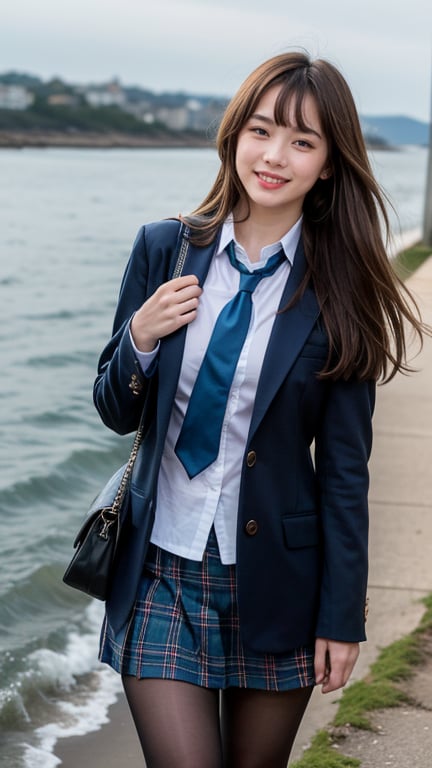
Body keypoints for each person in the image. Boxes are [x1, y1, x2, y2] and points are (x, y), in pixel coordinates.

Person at [93, 51, 426, 768]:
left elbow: (344, 474)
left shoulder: (342, 294)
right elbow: (114, 410)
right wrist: (139, 338)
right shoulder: (165, 249)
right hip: (159, 570)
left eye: (303, 141)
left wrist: (344, 616)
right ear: (233, 135)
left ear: (330, 164)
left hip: (279, 583)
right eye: (262, 130)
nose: (275, 156)